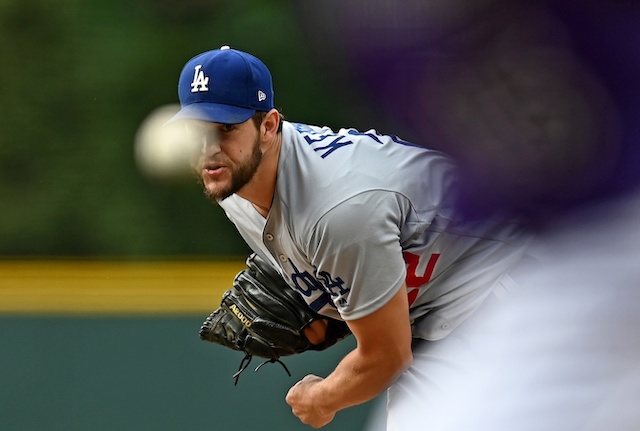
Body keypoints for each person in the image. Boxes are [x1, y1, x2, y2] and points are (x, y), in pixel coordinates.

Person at [168, 45, 530, 429]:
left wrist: (322, 398)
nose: (209, 149)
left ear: (269, 126)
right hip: (434, 316)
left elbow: (386, 356)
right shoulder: (234, 182)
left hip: (515, 283)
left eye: (225, 129)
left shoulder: (337, 210)